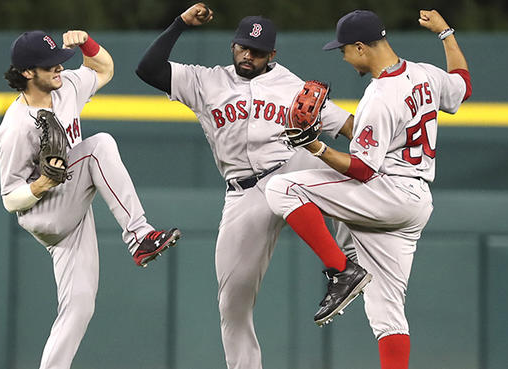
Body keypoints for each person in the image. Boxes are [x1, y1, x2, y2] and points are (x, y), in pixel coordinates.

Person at [136, 3, 355, 369]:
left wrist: (384, 141)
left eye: (257, 51)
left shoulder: (292, 86)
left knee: (342, 174)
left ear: (272, 54)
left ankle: (349, 264)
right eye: (243, 47)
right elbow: (148, 69)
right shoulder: (206, 81)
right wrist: (180, 24)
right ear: (233, 46)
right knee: (232, 302)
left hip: (290, 168)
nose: (248, 55)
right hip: (244, 192)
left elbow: (350, 127)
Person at [264, 9, 472, 369]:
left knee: (282, 188)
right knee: (387, 314)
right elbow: (463, 86)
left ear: (361, 47)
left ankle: (341, 270)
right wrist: (445, 33)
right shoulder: (424, 73)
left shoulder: (379, 96)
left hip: (387, 192)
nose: (343, 57)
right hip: (416, 204)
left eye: (344, 50)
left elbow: (361, 170)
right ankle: (349, 263)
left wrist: (315, 146)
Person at [0, 30, 181, 369]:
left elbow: (105, 69)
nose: (59, 70)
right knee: (100, 147)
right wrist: (40, 186)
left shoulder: (65, 87)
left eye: (59, 62)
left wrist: (87, 45)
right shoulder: (15, 127)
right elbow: (9, 199)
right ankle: (139, 235)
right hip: (44, 210)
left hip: (73, 208)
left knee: (79, 307)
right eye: (50, 65)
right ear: (26, 72)